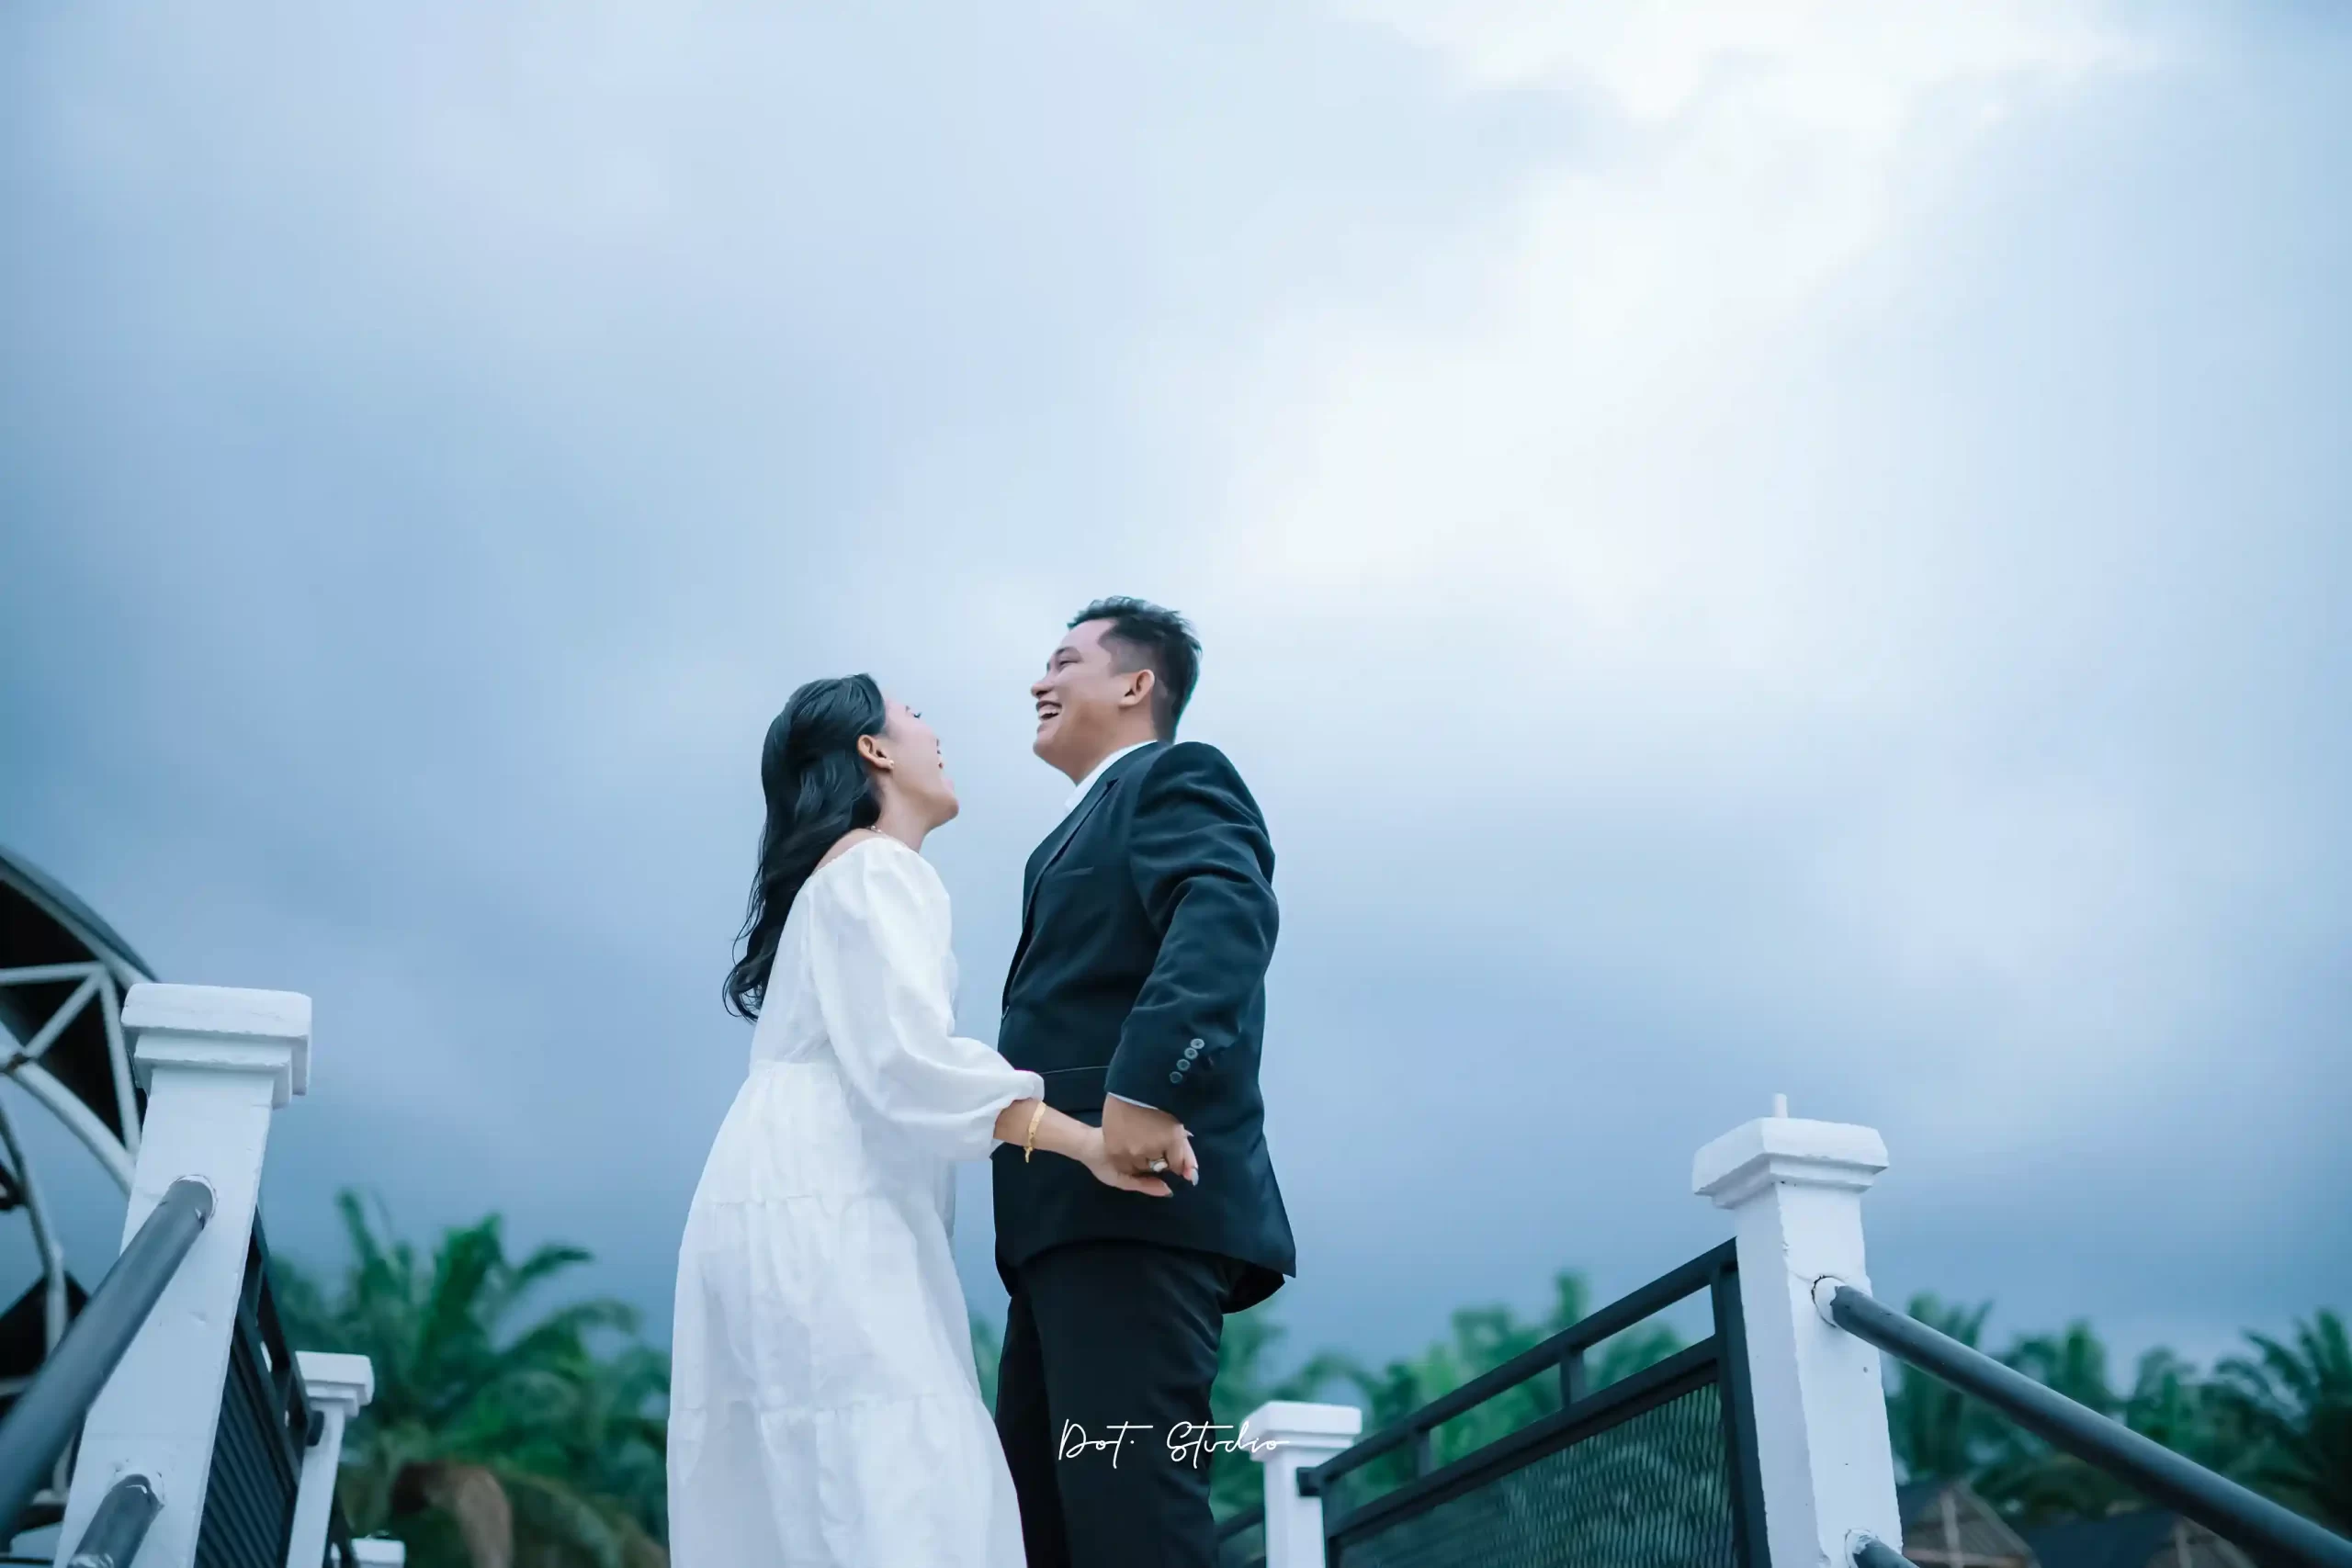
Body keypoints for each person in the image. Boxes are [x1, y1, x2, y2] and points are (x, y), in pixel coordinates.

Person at [668, 674, 1185, 1568]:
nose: (933, 733)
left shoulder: (837, 878)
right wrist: (1085, 1141)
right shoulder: (878, 868)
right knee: (904, 1477)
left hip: (773, 1192)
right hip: (828, 1202)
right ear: (873, 750)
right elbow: (911, 1061)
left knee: (811, 1482)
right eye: (912, 716)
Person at [992, 598, 1295, 1568]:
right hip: (1060, 1223)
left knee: (1135, 1523)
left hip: (1137, 1205)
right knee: (1043, 1531)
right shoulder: (1061, 839)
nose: (1040, 682)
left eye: (1064, 661)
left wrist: (1149, 1086)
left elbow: (1228, 909)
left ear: (1135, 683)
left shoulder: (1176, 775)